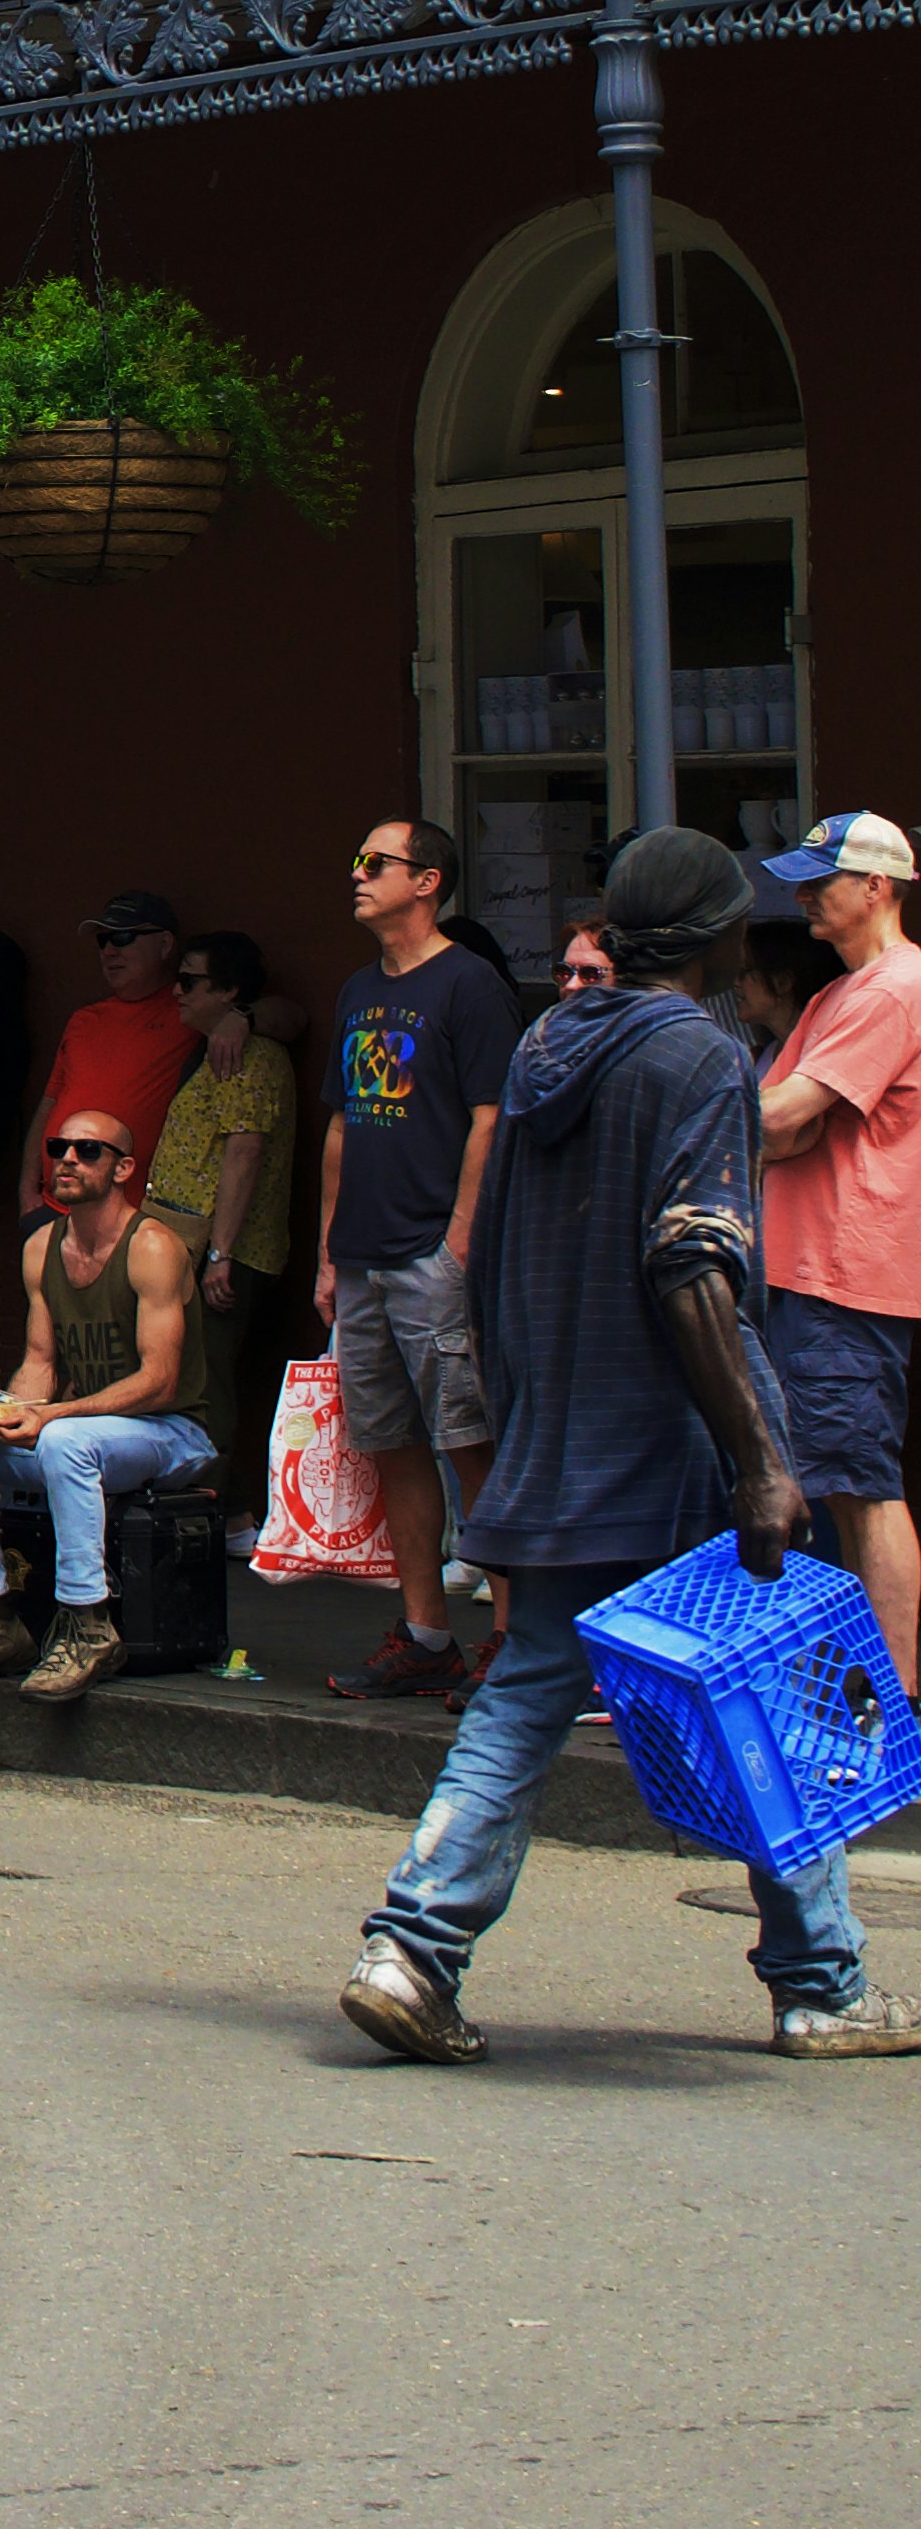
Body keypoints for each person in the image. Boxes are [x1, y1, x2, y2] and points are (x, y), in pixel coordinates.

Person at [342, 826, 921, 2066]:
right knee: (765, 1703)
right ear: (710, 937)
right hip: (670, 1445)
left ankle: (410, 1949)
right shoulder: (698, 1057)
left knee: (526, 1691)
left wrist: (522, 1407)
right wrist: (760, 1458)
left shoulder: (556, 1040)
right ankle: (822, 1983)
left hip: (561, 1433)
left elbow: (491, 1250)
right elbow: (695, 1262)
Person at [316, 815, 520, 1705]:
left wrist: (462, 1233)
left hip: (431, 1250)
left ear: (428, 880)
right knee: (390, 1446)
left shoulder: (470, 986)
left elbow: (491, 1116)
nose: (356, 874)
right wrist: (328, 1250)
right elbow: (338, 1125)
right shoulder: (360, 988)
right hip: (360, 1256)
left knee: (470, 1442)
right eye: (355, 859)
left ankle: (511, 1637)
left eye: (375, 862)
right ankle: (428, 1631)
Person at [0, 1104, 214, 1705]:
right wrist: (9, 1412)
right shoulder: (41, 1247)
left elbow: (159, 1382)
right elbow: (41, 1361)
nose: (68, 1160)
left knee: (64, 1440)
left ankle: (88, 1625)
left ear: (124, 1167)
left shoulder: (152, 1246)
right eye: (59, 1149)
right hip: (82, 1436)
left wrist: (49, 1416)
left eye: (88, 1150)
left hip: (170, 1432)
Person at [753, 807, 921, 1693]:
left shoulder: (896, 986)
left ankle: (894, 1696)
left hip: (846, 1273)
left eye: (823, 880)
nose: (807, 895)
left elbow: (776, 1116)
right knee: (831, 1480)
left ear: (878, 886)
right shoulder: (834, 992)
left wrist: (784, 1125)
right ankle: (860, 1683)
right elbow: (778, 1130)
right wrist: (785, 1126)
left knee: (860, 1485)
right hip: (806, 1267)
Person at [142, 928, 298, 1527]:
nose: (176, 992)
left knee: (209, 1383)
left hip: (221, 1245)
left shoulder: (247, 1055)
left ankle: (220, 1514)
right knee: (189, 1374)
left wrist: (221, 1255)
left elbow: (245, 1152)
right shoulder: (217, 1045)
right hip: (188, 1239)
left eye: (189, 981)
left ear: (229, 991)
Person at [19, 888, 299, 1192]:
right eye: (103, 940)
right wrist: (27, 1190)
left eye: (123, 938)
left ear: (165, 944)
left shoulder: (189, 1009)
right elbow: (50, 1103)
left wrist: (242, 1017)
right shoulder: (83, 1019)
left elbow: (294, 1017)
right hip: (55, 1206)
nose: (109, 951)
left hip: (134, 1218)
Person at [740, 914, 839, 1052]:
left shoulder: (826, 1055)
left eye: (745, 970)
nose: (736, 982)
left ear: (782, 982)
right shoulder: (765, 1055)